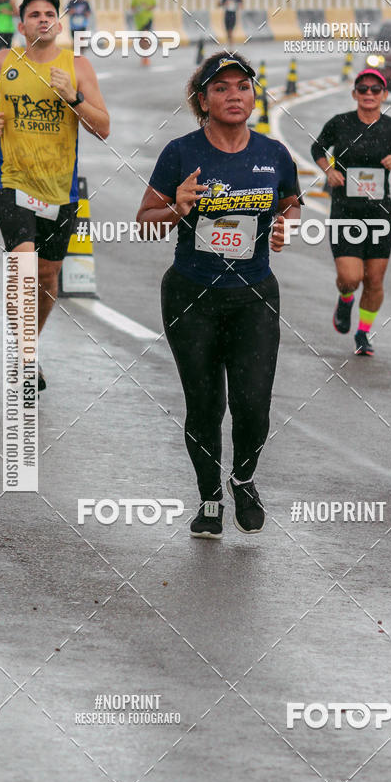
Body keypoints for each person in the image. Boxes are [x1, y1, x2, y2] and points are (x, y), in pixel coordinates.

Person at [136, 52, 300, 539]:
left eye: (243, 87)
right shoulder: (181, 154)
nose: (235, 96)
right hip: (192, 296)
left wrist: (284, 227)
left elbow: (290, 203)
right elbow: (145, 222)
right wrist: (176, 209)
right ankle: (209, 498)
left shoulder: (273, 154)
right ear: (202, 99)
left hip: (254, 295)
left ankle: (243, 479)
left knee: (254, 405)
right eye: (222, 88)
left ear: (253, 95)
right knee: (206, 405)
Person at [0, 0, 109, 392]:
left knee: (48, 278)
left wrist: (74, 97)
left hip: (59, 189)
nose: (43, 19)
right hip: (12, 180)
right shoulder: (5, 61)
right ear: (22, 25)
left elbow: (102, 127)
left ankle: (29, 343)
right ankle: (25, 355)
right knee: (23, 265)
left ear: (59, 22)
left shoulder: (78, 67)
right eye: (34, 14)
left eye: (49, 13)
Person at [310, 68, 391, 356]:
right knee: (350, 277)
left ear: (384, 94)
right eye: (363, 89)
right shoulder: (340, 123)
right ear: (354, 93)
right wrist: (329, 170)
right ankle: (345, 299)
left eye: (375, 89)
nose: (368, 94)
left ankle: (363, 333)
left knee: (373, 280)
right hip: (345, 212)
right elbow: (317, 148)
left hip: (380, 215)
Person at [130, 0, 156, 66]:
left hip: (148, 19)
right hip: (139, 21)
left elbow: (154, 5)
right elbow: (132, 6)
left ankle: (146, 57)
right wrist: (136, 9)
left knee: (145, 37)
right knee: (142, 39)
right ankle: (143, 56)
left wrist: (148, 7)